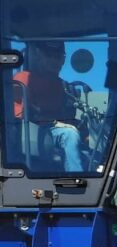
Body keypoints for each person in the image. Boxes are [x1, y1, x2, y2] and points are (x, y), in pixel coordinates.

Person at [12, 40, 85, 171]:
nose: (56, 61)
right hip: (34, 130)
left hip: (53, 130)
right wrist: (56, 123)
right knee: (70, 134)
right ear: (40, 56)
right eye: (51, 56)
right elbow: (20, 117)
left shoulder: (62, 85)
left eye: (60, 57)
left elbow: (63, 115)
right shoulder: (23, 79)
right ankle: (76, 178)